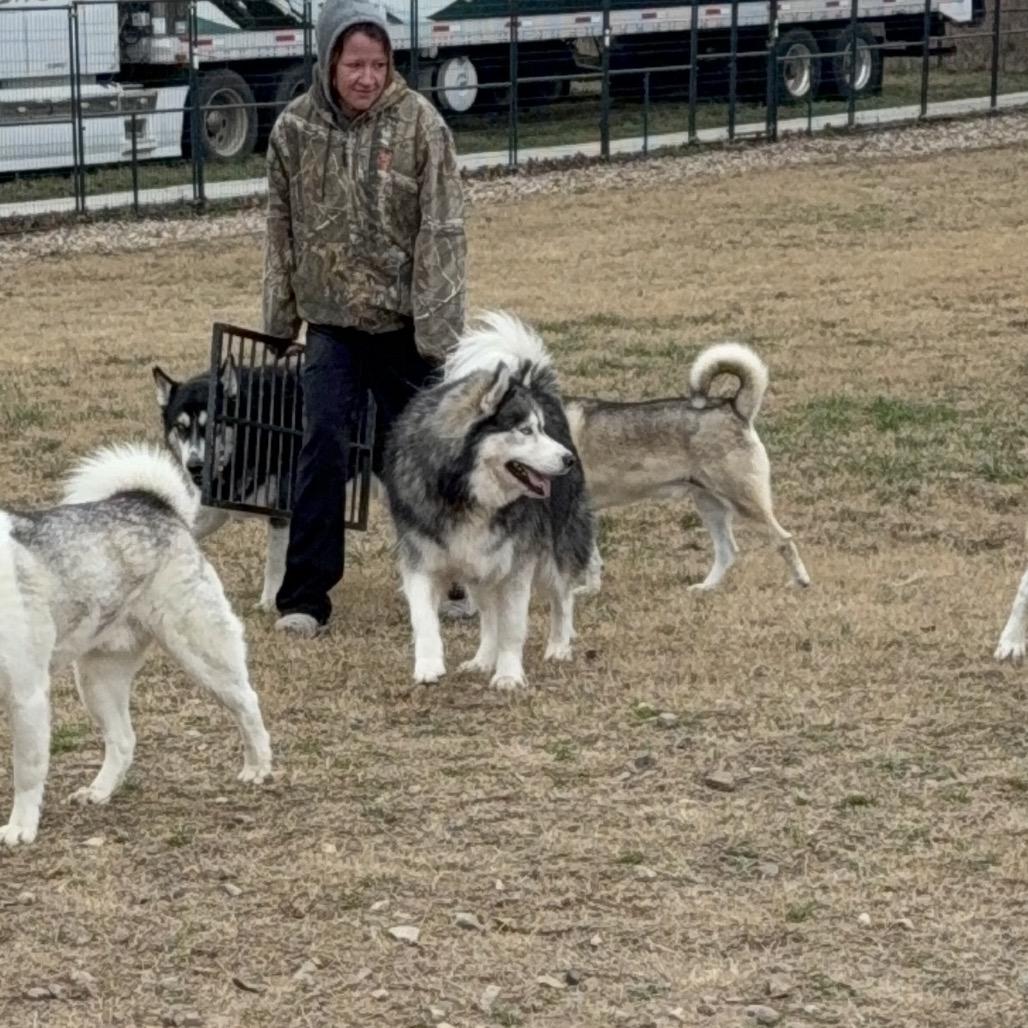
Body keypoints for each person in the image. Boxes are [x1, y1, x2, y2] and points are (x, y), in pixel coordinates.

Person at [262, 0, 467, 637]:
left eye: (379, 63)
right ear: (328, 62)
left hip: (402, 325)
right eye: (355, 63)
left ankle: (454, 578)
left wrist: (437, 329)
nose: (367, 76)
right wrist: (279, 319)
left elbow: (444, 230)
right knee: (321, 445)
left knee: (423, 453)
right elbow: (279, 230)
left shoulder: (421, 125)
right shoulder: (293, 130)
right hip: (331, 326)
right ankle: (304, 597)